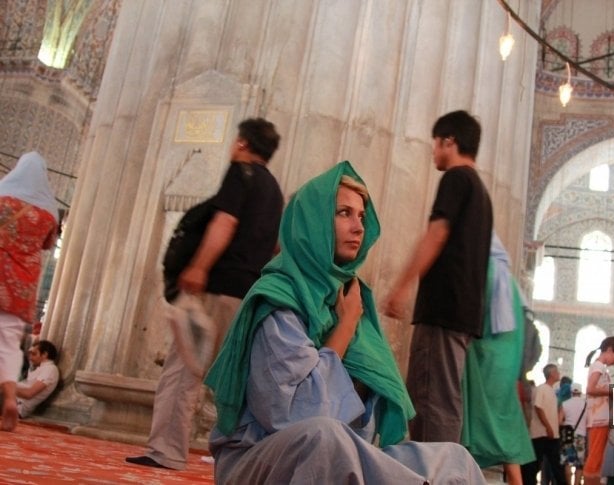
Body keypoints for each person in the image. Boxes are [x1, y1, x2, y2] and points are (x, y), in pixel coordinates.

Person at [205, 162, 487, 484]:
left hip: (340, 454)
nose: (358, 227)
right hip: (261, 457)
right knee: (324, 438)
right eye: (344, 213)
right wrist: (346, 327)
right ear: (314, 222)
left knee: (454, 459)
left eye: (362, 217)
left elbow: (362, 427)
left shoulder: (350, 296)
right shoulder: (279, 300)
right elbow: (294, 415)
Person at [126, 118, 283, 470]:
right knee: (233, 379)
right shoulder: (273, 189)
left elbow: (224, 223)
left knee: (183, 370)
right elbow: (275, 245)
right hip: (246, 293)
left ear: (242, 143)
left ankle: (166, 450)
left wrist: (198, 266)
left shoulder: (239, 173)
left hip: (218, 287)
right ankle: (247, 458)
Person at [383, 110, 494, 443]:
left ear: (450, 141)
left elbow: (437, 234)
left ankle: (433, 476)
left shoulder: (457, 179)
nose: (433, 151)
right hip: (461, 314)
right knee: (440, 401)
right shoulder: (481, 192)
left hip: (444, 312)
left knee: (432, 402)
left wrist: (401, 287)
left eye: (435, 143)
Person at [461, 232, 534, 485]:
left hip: (484, 363)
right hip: (506, 369)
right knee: (508, 439)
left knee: (474, 424)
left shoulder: (484, 272)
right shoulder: (511, 284)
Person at [0, 151, 59, 432]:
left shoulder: (4, 196)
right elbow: (49, 245)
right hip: (23, 286)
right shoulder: (48, 210)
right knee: (9, 346)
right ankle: (10, 399)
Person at [583, 336, 614, 485]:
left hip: (600, 418)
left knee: (598, 457)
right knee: (594, 458)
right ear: (609, 350)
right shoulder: (599, 366)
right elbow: (591, 388)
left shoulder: (600, 367)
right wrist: (611, 392)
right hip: (597, 419)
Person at [522, 363, 568, 485]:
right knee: (535, 465)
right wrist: (548, 427)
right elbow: (538, 407)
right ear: (552, 374)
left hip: (550, 434)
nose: (559, 374)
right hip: (540, 433)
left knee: (556, 464)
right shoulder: (541, 389)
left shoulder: (551, 391)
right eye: (557, 372)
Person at [16, 340, 60, 418]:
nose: (30, 358)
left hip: (17, 406)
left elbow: (28, 394)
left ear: (44, 354)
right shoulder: (40, 367)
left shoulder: (50, 369)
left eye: (34, 354)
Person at [560, 383, 587, 485]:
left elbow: (559, 421)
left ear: (571, 392)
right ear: (580, 392)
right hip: (581, 436)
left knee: (568, 463)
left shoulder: (565, 403)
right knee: (579, 464)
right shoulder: (586, 404)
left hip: (567, 435)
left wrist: (567, 423)